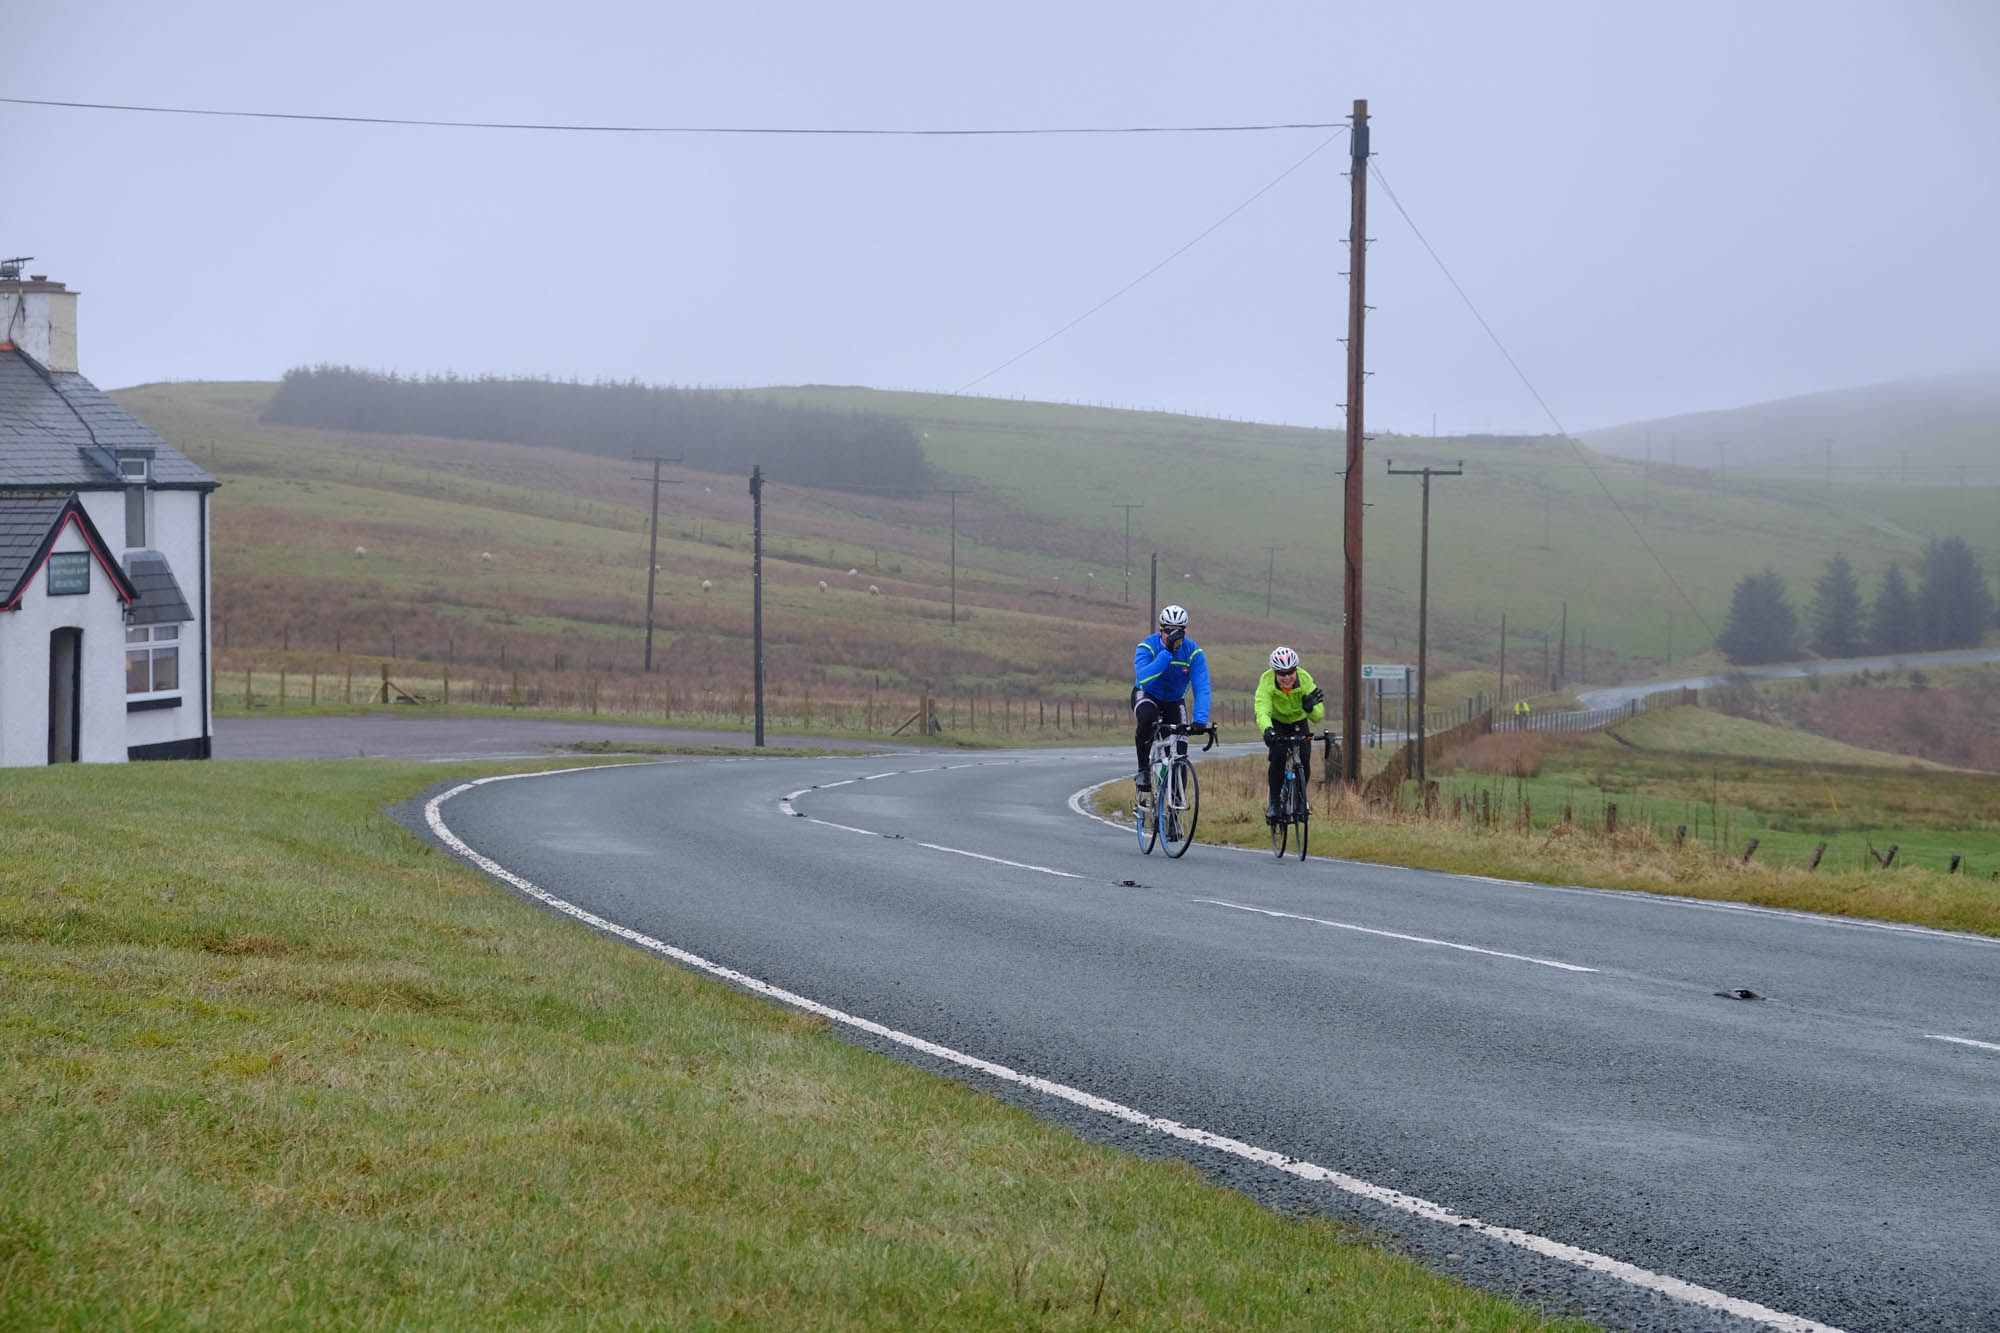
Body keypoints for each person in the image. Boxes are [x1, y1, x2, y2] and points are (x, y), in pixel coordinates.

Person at [1132, 604, 1212, 796]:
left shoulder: (1193, 652)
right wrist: (1166, 653)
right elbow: (1144, 678)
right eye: (1168, 630)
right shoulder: (1147, 646)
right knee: (1147, 718)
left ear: (1184, 631)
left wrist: (1200, 720)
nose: (1173, 635)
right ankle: (1143, 770)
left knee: (1180, 754)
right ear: (1161, 630)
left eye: (1178, 631)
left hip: (1174, 701)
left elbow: (1202, 688)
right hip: (1147, 694)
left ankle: (1175, 812)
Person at [1254, 646, 1326, 820]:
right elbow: (1262, 709)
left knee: (1304, 757)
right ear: (1275, 673)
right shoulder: (1267, 681)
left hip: (1298, 722)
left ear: (1296, 670)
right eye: (1282, 674)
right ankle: (1274, 803)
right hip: (1277, 723)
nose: (1287, 677)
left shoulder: (1304, 678)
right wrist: (1267, 729)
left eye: (1290, 672)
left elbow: (1318, 716)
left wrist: (1309, 708)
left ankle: (1301, 800)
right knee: (1278, 759)